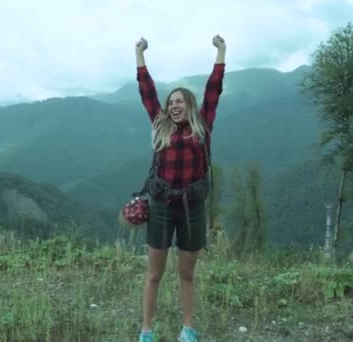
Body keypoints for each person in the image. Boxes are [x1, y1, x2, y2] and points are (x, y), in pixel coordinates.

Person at [135, 34, 226, 342]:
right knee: (154, 274)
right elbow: (146, 92)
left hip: (192, 209)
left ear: (189, 105)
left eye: (178, 102)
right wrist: (140, 54)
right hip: (161, 207)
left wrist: (221, 52)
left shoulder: (204, 125)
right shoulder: (160, 125)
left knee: (186, 273)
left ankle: (187, 328)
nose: (173, 106)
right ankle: (146, 330)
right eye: (170, 102)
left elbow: (214, 89)